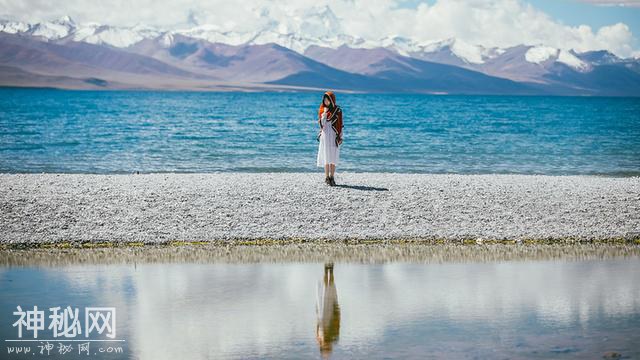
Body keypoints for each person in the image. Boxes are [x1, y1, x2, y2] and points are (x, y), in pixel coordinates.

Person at [316, 91, 343, 186]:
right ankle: (327, 177)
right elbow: (321, 124)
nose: (326, 101)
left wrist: (340, 136)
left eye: (328, 99)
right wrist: (324, 113)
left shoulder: (338, 110)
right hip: (325, 135)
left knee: (333, 156)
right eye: (325, 99)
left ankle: (332, 177)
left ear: (332, 100)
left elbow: (340, 124)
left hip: (334, 135)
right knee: (326, 156)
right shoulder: (322, 110)